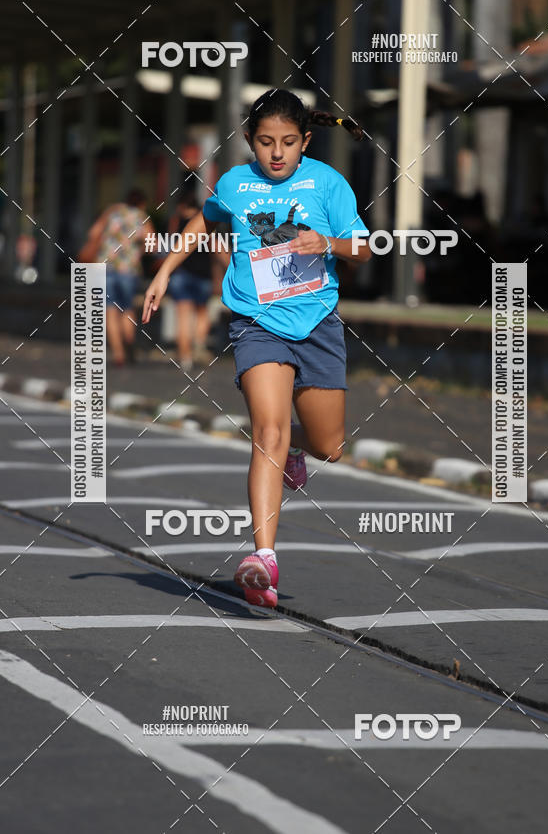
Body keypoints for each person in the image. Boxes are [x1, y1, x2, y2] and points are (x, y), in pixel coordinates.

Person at [142, 89, 371, 608]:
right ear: (249, 139)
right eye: (266, 142)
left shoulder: (328, 183)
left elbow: (363, 248)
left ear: (306, 140)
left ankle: (296, 452)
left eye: (288, 142)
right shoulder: (235, 183)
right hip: (256, 323)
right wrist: (164, 271)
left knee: (330, 446)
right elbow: (206, 220)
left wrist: (327, 244)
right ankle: (263, 558)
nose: (276, 153)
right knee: (268, 430)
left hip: (317, 324)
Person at [85, 188, 153, 366]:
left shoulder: (112, 213)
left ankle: (118, 354)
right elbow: (151, 244)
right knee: (127, 309)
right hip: (128, 270)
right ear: (142, 203)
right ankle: (129, 343)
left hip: (105, 267)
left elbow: (93, 234)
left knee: (110, 310)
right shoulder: (141, 217)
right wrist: (137, 250)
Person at [166, 186, 216, 371]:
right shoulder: (204, 221)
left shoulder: (176, 222)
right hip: (203, 274)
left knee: (183, 318)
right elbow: (216, 247)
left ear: (180, 205)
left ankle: (185, 358)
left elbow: (170, 246)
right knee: (202, 312)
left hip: (181, 274)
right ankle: (198, 345)